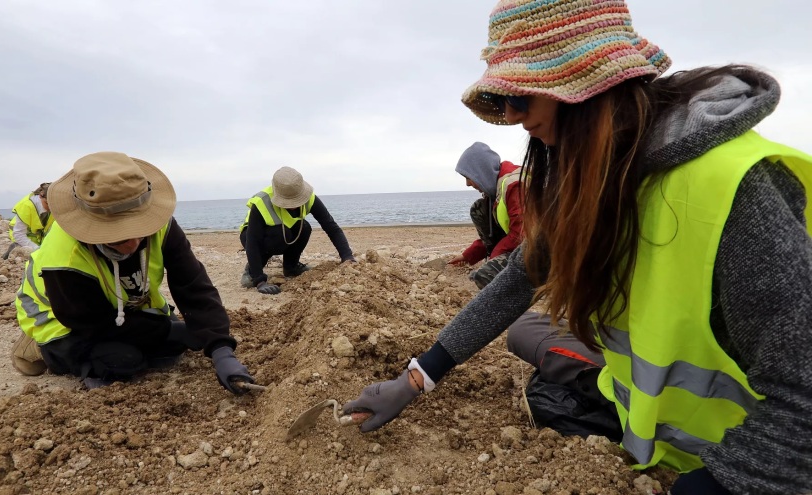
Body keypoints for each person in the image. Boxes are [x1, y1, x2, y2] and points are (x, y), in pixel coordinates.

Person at [344, 1, 812, 494]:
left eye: (520, 97)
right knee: (526, 334)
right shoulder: (592, 180)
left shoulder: (731, 189)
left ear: (579, 84)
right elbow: (516, 284)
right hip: (649, 427)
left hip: (736, 451)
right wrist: (416, 378)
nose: (510, 116)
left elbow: (801, 394)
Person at [11, 151, 255, 394]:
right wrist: (169, 330)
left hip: (123, 308)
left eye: (140, 228)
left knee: (172, 349)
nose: (132, 244)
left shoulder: (162, 227)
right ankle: (36, 349)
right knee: (122, 360)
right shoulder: (64, 258)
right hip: (64, 319)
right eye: (119, 237)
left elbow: (193, 286)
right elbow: (94, 323)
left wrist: (221, 349)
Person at [239, 166, 356, 295]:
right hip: (253, 236)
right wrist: (259, 280)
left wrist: (347, 257)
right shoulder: (262, 202)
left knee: (304, 227)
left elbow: (331, 227)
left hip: (283, 232)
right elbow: (253, 242)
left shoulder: (310, 198)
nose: (293, 205)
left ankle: (291, 267)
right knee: (280, 234)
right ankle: (251, 271)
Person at [447, 142, 525, 289]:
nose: (468, 184)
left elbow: (521, 234)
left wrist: (495, 258)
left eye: (468, 177)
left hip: (544, 249)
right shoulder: (497, 189)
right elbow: (493, 233)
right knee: (479, 208)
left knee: (486, 276)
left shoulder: (514, 185)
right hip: (523, 245)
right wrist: (468, 256)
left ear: (480, 172)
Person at [2, 182, 53, 259]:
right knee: (31, 253)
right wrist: (37, 248)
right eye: (47, 203)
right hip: (22, 235)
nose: (51, 207)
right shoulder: (27, 205)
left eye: (53, 204)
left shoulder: (57, 205)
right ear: (41, 196)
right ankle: (13, 250)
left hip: (39, 237)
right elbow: (19, 234)